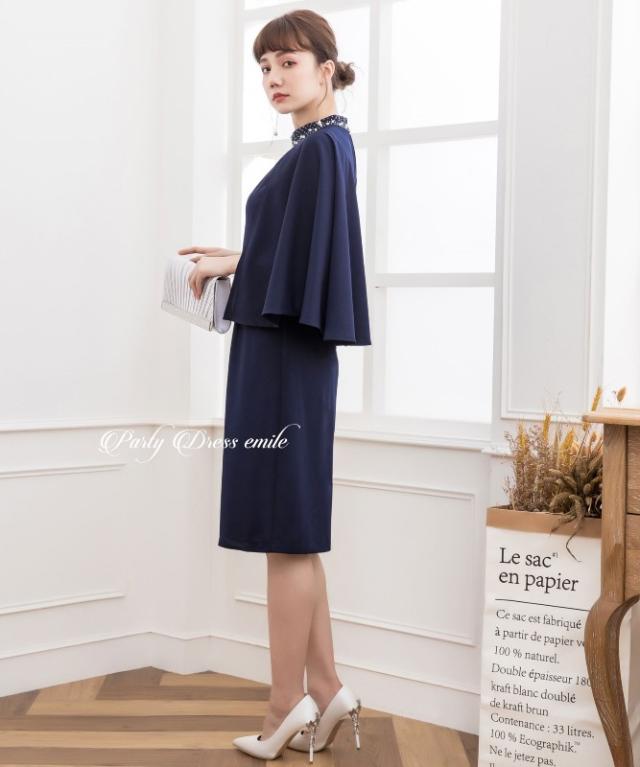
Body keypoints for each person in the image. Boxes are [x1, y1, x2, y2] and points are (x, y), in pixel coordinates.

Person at [178, 9, 370, 762]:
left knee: (287, 535)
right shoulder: (319, 147)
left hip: (283, 358)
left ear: (326, 66)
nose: (273, 78)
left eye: (288, 63)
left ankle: (283, 702)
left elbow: (301, 270)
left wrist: (241, 264)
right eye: (264, 67)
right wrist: (241, 255)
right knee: (294, 529)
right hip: (283, 357)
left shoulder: (320, 149)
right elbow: (297, 253)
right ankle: (326, 686)